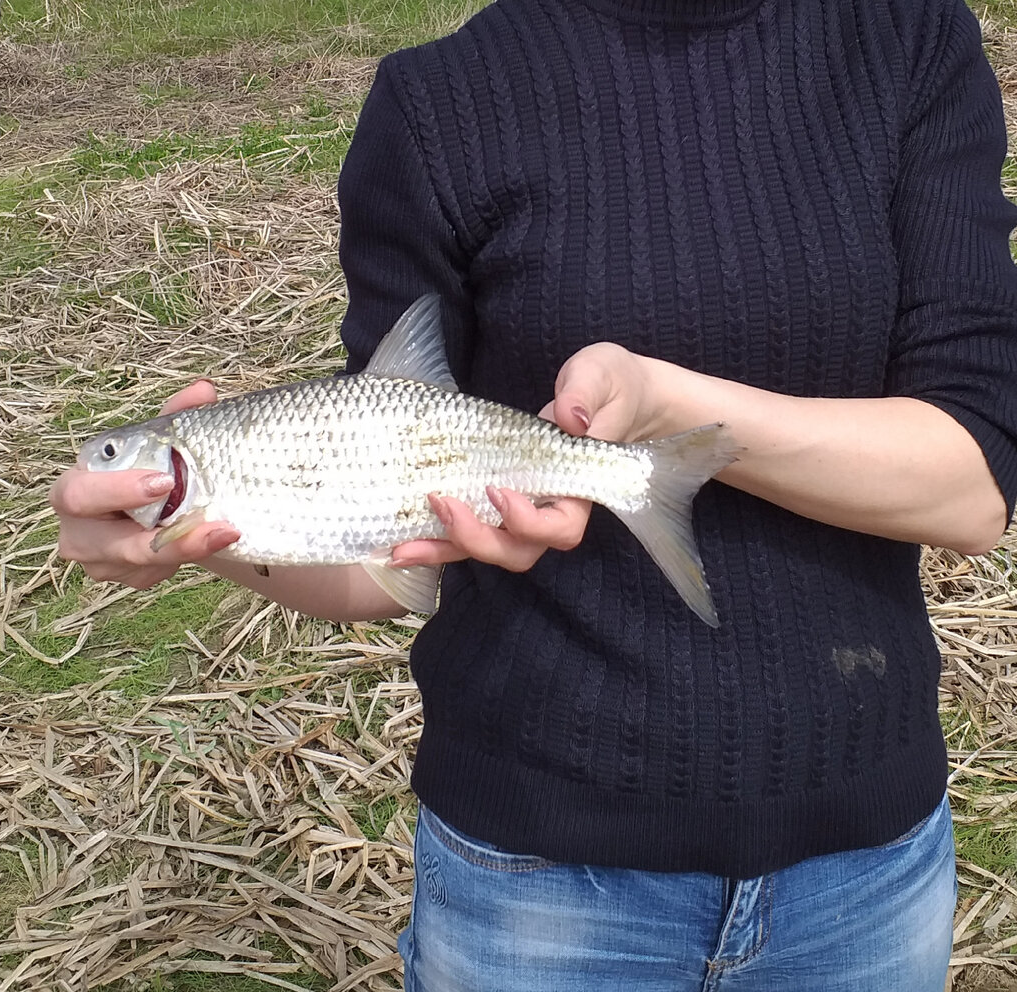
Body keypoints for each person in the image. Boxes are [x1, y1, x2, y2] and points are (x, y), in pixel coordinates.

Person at [52, 0, 1017, 988]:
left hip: (862, 867)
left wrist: (671, 409)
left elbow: (969, 490)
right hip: (537, 881)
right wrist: (203, 536)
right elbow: (390, 565)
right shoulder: (436, 102)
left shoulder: (906, 39)